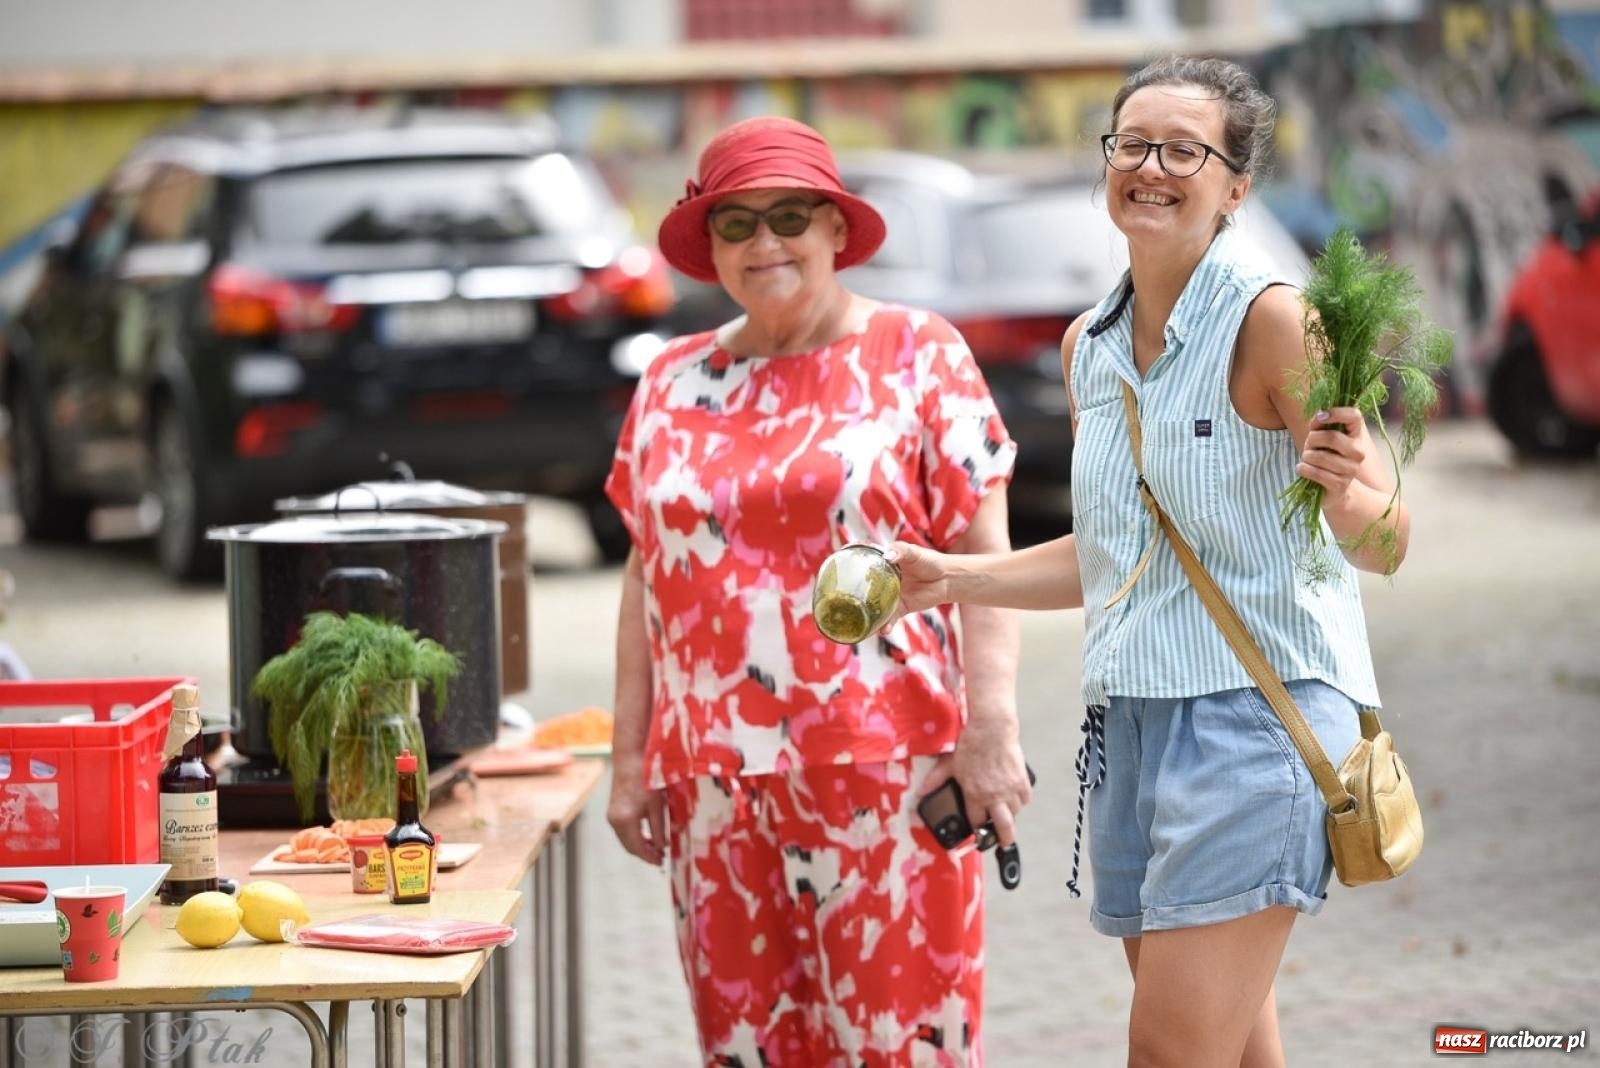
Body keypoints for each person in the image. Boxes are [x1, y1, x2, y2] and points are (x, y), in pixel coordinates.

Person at [887, 56, 1406, 1068]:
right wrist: (951, 577)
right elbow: (1116, 554)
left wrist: (1348, 492)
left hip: (1253, 726)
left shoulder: (1272, 323)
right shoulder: (1093, 345)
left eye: (1184, 149)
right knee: (1233, 1048)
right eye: (1132, 144)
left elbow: (1384, 541)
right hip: (1130, 726)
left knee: (1170, 1053)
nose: (1151, 168)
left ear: (1235, 184)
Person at [603, 116, 1032, 1067]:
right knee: (745, 1046)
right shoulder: (671, 378)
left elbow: (982, 556)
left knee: (898, 1043)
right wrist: (628, 756)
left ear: (837, 227)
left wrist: (993, 729)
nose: (763, 243)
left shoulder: (920, 352)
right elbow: (646, 575)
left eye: (789, 216)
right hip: (712, 787)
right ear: (708, 245)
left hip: (886, 768)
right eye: (735, 224)